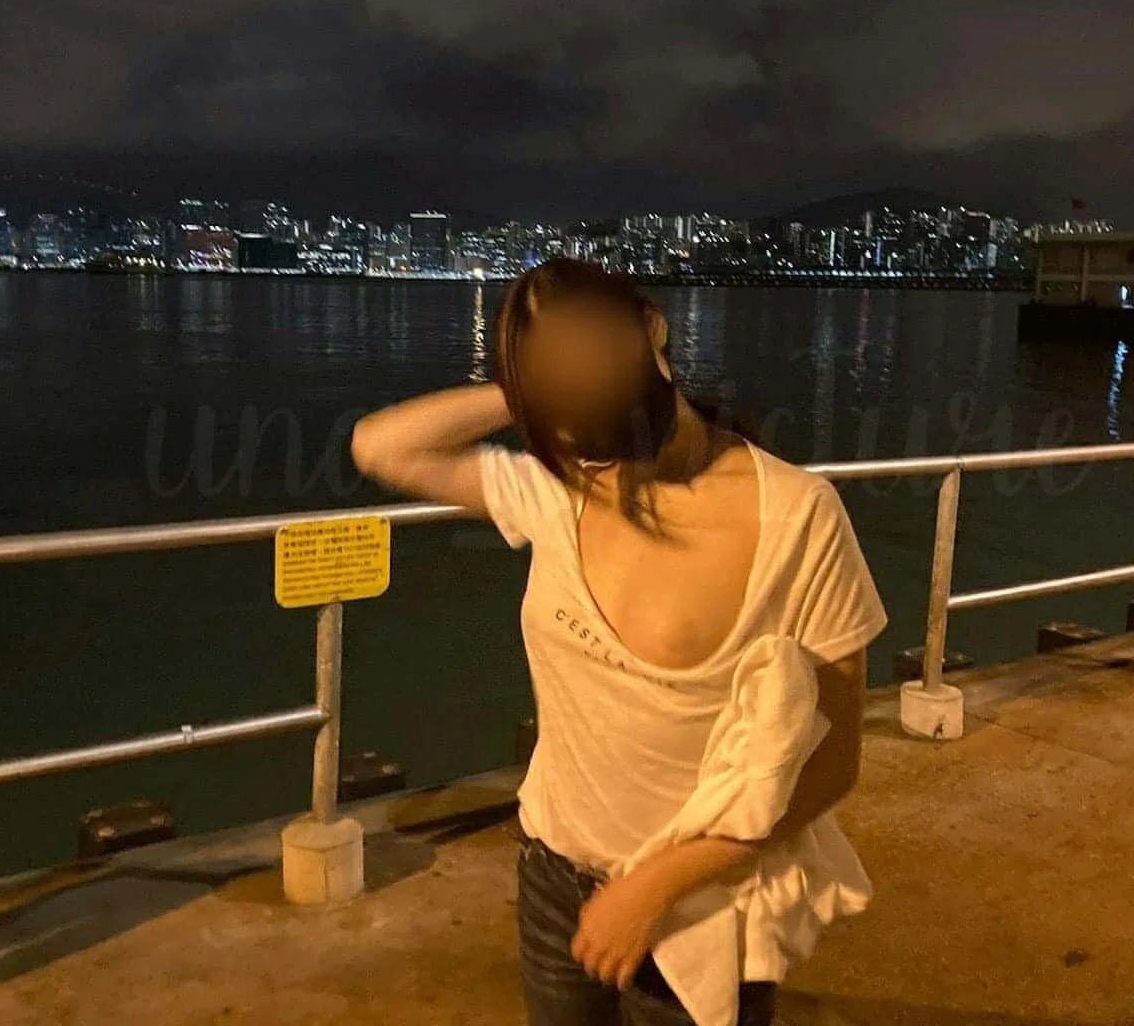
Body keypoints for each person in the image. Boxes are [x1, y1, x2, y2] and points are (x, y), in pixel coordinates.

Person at [352, 258, 887, 1026]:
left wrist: (656, 886)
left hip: (700, 904)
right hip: (552, 875)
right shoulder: (554, 488)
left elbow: (833, 765)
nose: (592, 464)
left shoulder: (798, 517)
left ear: (653, 331)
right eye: (565, 432)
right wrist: (531, 387)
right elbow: (383, 447)